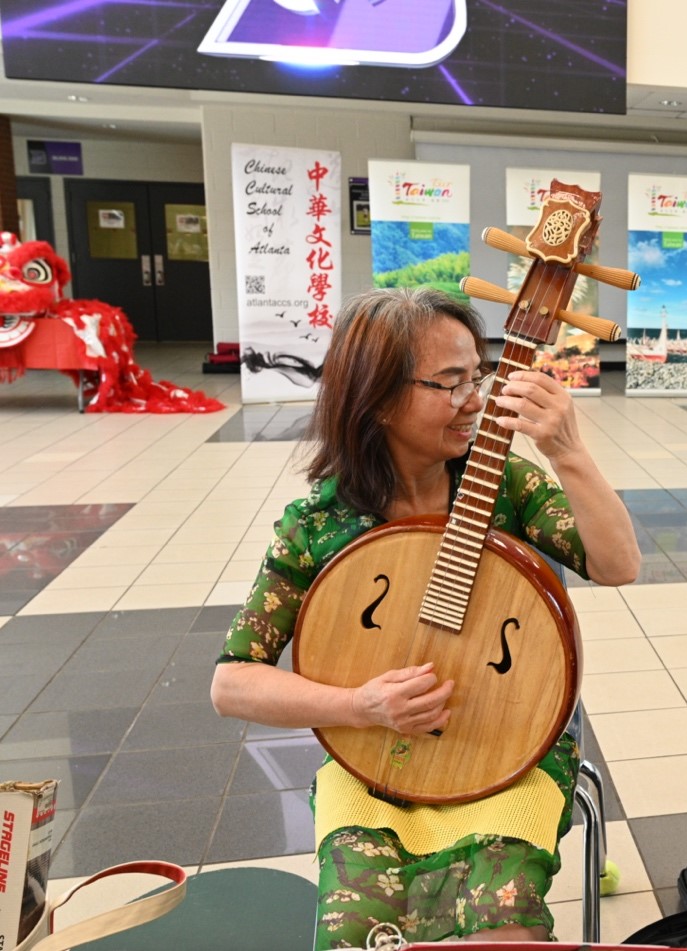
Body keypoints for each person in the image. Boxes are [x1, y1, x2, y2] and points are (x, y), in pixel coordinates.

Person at [210, 287, 640, 948]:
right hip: (375, 763)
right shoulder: (317, 527)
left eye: (479, 376)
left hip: (507, 752)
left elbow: (617, 564)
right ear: (377, 398)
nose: (476, 399)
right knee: (356, 935)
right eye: (449, 383)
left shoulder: (502, 483)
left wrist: (568, 452)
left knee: (502, 928)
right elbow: (231, 682)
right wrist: (360, 703)